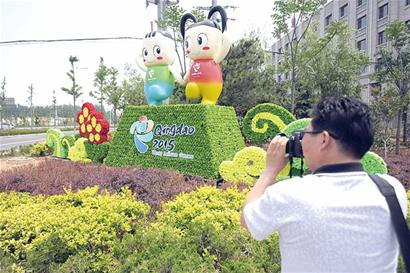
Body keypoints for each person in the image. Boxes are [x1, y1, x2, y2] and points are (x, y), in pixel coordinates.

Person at [240, 97, 408, 272]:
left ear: (324, 139)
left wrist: (269, 172)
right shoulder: (391, 190)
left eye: (304, 134)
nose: (301, 141)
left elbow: (247, 220)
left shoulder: (289, 194)